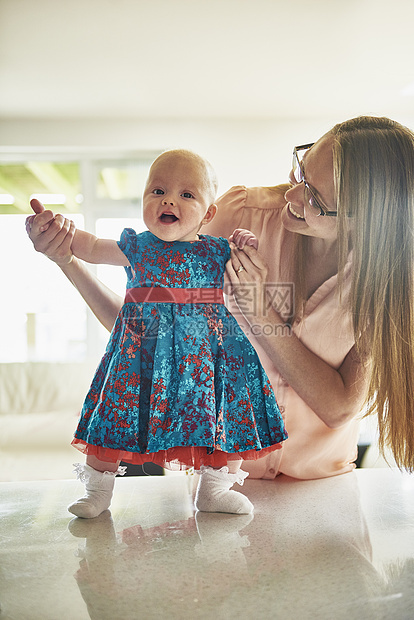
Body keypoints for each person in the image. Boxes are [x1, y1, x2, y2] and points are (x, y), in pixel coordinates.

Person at [27, 115, 414, 484]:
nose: (292, 193)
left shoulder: (391, 278)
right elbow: (148, 327)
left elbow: (339, 407)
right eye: (301, 170)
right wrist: (68, 260)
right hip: (216, 484)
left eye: (313, 195)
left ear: (365, 218)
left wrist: (257, 307)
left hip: (321, 489)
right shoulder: (242, 213)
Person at [28, 148, 287, 519]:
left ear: (209, 214)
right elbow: (85, 246)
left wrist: (246, 242)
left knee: (223, 418)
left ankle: (215, 489)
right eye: (158, 191)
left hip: (205, 359)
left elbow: (251, 265)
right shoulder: (136, 247)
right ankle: (98, 490)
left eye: (187, 195)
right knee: (115, 416)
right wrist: (54, 229)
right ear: (144, 200)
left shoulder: (217, 251)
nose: (169, 200)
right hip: (141, 356)